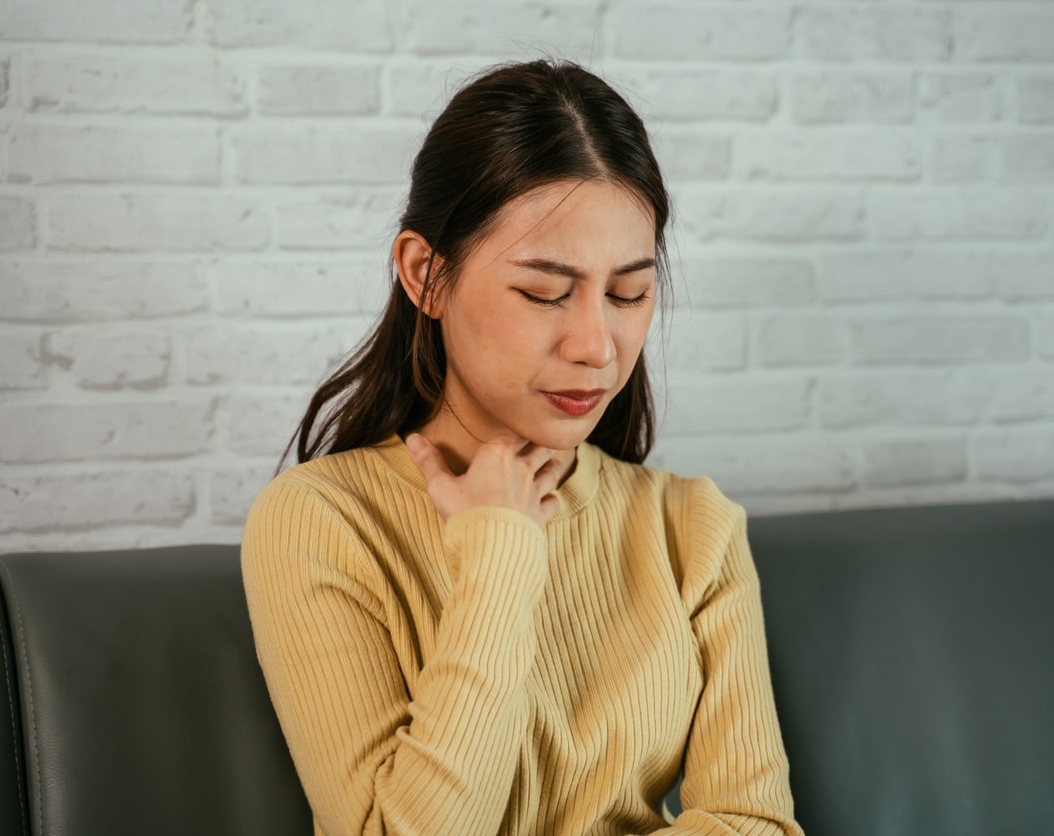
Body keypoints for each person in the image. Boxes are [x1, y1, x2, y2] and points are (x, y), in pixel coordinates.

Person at [241, 58, 804, 836]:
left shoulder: (690, 527)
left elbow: (757, 824)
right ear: (425, 275)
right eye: (544, 292)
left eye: (629, 293)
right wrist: (500, 550)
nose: (597, 346)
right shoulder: (321, 521)